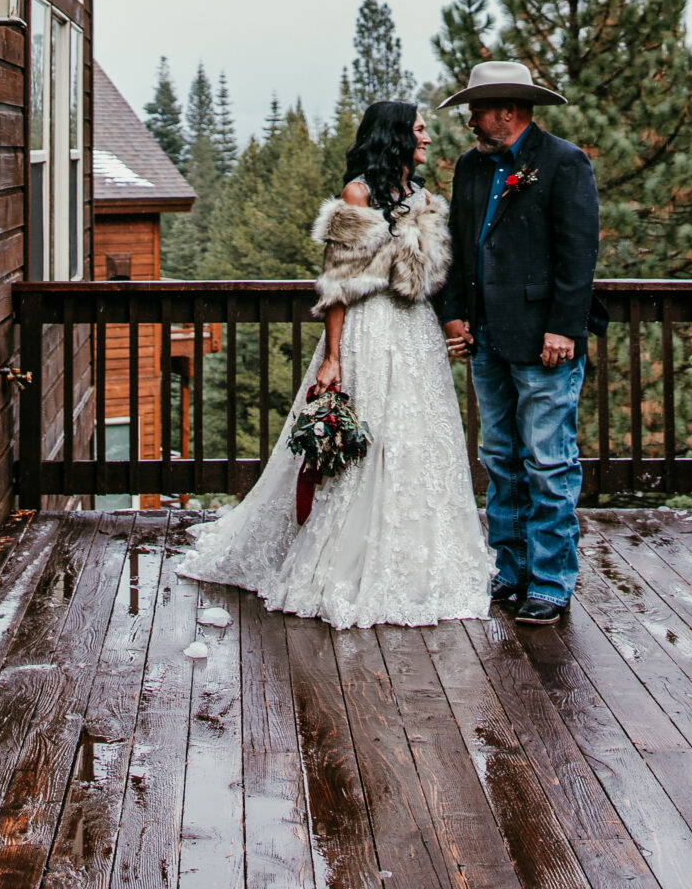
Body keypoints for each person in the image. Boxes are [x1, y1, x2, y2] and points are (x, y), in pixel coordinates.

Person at [178, 100, 493, 627]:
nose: (428, 139)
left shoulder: (424, 198)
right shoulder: (358, 195)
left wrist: (451, 325)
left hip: (414, 332)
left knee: (419, 440)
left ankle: (418, 557)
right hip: (369, 331)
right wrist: (333, 357)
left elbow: (432, 280)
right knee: (363, 443)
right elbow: (338, 285)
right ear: (394, 135)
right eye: (419, 130)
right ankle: (344, 557)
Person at [436, 60, 600, 625]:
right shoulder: (470, 168)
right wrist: (455, 313)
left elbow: (578, 256)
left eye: (477, 110)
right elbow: (459, 245)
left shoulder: (562, 162)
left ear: (507, 111)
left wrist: (564, 327)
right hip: (486, 339)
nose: (471, 120)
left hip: (544, 341)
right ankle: (512, 570)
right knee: (500, 458)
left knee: (549, 463)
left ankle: (552, 581)